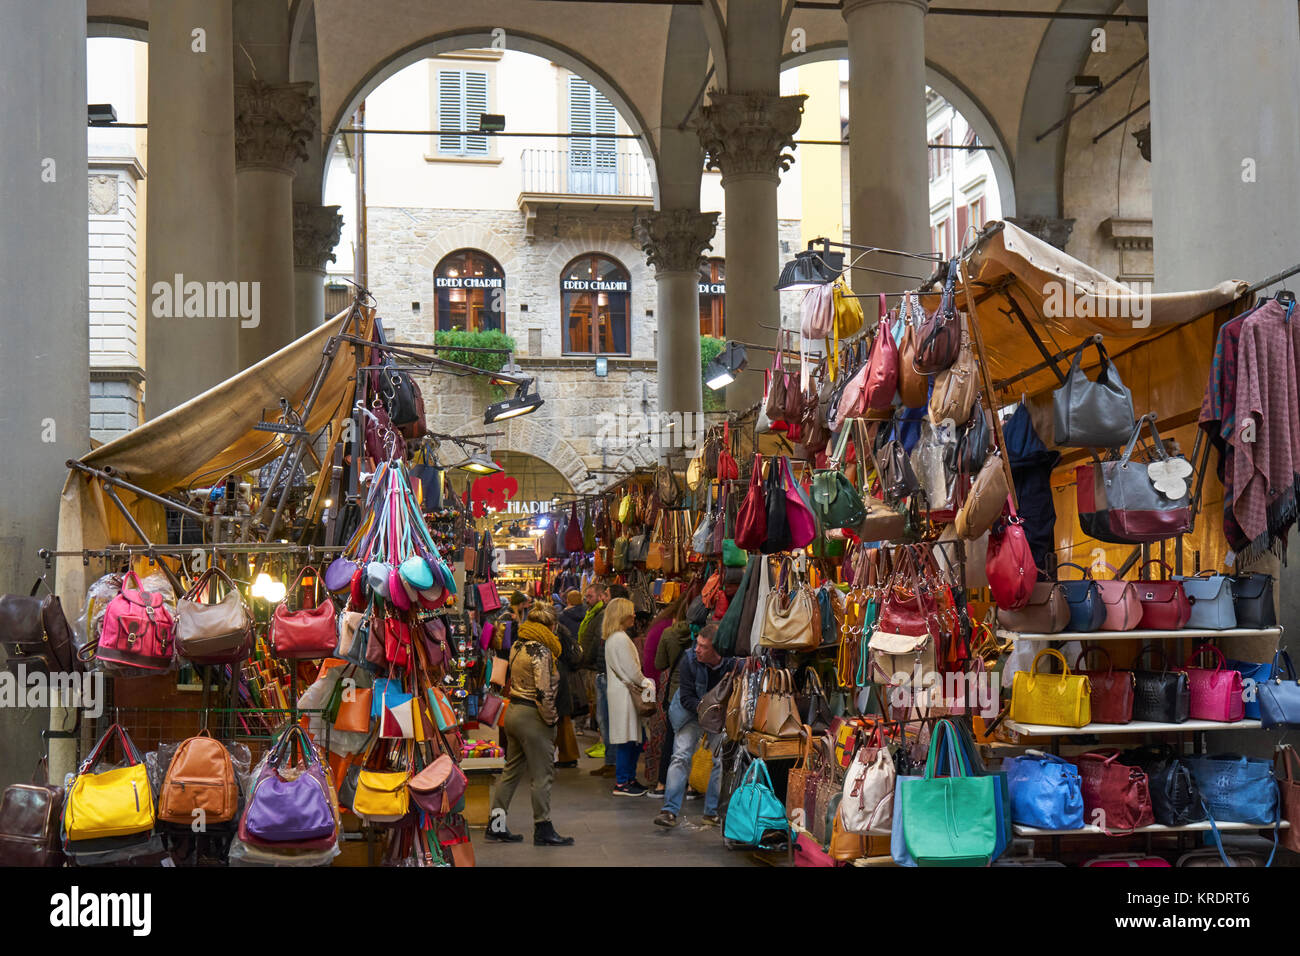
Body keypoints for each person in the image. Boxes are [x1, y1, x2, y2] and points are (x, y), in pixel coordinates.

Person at [485, 604, 575, 847]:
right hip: (533, 717)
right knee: (542, 775)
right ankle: (543, 828)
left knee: (510, 772)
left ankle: (496, 825)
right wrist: (552, 721)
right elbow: (544, 692)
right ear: (551, 626)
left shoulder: (518, 645)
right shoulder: (542, 652)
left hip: (513, 712)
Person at [654, 625, 735, 828]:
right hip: (689, 712)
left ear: (716, 650)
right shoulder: (689, 659)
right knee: (680, 756)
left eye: (703, 646)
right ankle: (669, 811)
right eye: (697, 644)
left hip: (715, 715)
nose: (697, 649)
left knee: (716, 761)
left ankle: (711, 813)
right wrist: (705, 710)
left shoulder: (731, 663)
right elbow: (686, 697)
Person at [603, 596, 654, 796]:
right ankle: (623, 782)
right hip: (626, 694)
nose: (634, 615)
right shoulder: (621, 639)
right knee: (628, 739)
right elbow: (633, 671)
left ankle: (627, 779)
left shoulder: (614, 638)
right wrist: (646, 682)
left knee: (630, 738)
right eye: (631, 611)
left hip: (621, 693)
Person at [580, 583, 629, 777]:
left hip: (609, 676)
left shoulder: (612, 622)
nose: (603, 598)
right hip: (602, 673)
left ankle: (616, 763)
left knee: (611, 720)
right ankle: (610, 761)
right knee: (604, 719)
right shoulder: (604, 618)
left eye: (606, 595)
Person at [641, 596, 686, 795]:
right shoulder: (685, 632)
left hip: (662, 687)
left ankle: (660, 781)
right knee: (681, 740)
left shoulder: (663, 627)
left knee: (663, 737)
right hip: (678, 690)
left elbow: (655, 663)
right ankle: (686, 783)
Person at [553, 590, 587, 767]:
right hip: (569, 673)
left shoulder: (561, 625)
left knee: (561, 718)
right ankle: (568, 755)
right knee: (564, 718)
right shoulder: (587, 614)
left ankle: (567, 756)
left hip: (561, 676)